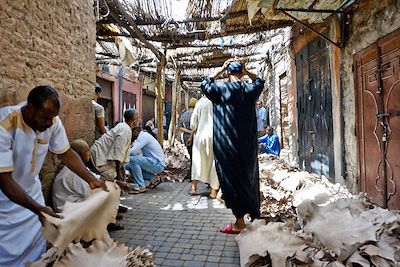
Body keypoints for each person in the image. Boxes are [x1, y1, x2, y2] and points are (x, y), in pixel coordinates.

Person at [0, 86, 106, 266]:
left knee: (36, 249)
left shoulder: (51, 121)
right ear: (30, 107)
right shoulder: (5, 124)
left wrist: (92, 180)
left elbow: (66, 153)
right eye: (45, 117)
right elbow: (4, 180)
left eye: (52, 117)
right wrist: (39, 209)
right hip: (5, 198)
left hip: (32, 194)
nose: (50, 123)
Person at [201, 57, 265, 234]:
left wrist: (220, 70)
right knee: (248, 179)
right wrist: (247, 71)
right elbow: (260, 81)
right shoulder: (250, 89)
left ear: (228, 73)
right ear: (241, 72)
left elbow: (205, 83)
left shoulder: (220, 89)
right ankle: (251, 214)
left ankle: (239, 222)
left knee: (231, 180)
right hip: (247, 147)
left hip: (226, 146)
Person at [52, 139, 124, 231]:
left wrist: (115, 182)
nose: (89, 155)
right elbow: (93, 189)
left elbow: (97, 178)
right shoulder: (75, 172)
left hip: (72, 207)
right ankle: (106, 224)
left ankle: (108, 218)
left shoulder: (77, 169)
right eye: (88, 152)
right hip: (69, 214)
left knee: (109, 188)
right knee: (103, 194)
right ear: (82, 154)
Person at [90, 108, 138, 181]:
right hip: (98, 158)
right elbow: (118, 152)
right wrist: (118, 176)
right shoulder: (126, 130)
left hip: (98, 154)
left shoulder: (122, 125)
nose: (139, 120)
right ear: (133, 119)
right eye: (137, 118)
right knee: (113, 179)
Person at [187, 96, 219, 198]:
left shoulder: (200, 102)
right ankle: (213, 191)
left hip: (200, 136)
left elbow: (193, 124)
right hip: (215, 135)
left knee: (197, 161)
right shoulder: (219, 100)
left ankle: (194, 188)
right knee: (214, 162)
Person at [125, 127, 165, 193]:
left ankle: (141, 186)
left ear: (135, 132)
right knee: (128, 166)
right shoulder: (144, 136)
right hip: (156, 163)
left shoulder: (143, 136)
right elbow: (134, 152)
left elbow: (132, 152)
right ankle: (153, 178)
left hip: (157, 164)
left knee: (131, 160)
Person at [178, 97, 197, 180]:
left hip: (185, 137)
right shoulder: (196, 114)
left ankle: (190, 174)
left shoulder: (184, 114)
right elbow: (196, 127)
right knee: (195, 156)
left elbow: (180, 127)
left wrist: (188, 132)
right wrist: (192, 133)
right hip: (195, 136)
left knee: (190, 155)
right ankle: (193, 175)